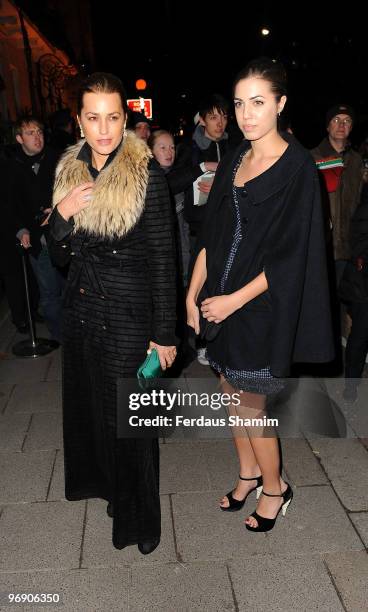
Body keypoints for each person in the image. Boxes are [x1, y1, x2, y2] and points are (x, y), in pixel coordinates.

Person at [186, 57, 334, 532]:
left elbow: (291, 258)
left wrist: (232, 301)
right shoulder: (235, 158)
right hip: (219, 302)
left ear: (280, 104)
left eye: (258, 103)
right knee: (229, 393)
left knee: (253, 406)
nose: (246, 114)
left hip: (260, 306)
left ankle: (276, 489)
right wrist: (193, 294)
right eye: (239, 104)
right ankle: (248, 473)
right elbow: (212, 233)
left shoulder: (297, 169)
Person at [47, 72, 177, 553]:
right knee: (96, 416)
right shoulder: (67, 173)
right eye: (93, 117)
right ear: (79, 121)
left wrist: (164, 336)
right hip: (81, 316)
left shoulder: (148, 178)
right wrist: (61, 214)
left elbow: (165, 262)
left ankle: (141, 525)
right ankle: (112, 495)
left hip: (128, 318)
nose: (103, 129)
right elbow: (58, 258)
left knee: (131, 426)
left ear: (127, 119)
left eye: (113, 117)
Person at [178, 93, 230, 365]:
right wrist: (201, 168)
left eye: (223, 116)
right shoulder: (191, 149)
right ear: (202, 120)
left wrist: (221, 184)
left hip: (227, 226)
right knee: (198, 285)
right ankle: (198, 340)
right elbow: (173, 180)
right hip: (198, 227)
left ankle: (220, 337)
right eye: (213, 117)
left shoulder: (237, 146)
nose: (219, 122)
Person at [12, 116, 63, 342]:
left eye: (39, 132)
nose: (37, 137)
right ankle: (60, 335)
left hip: (62, 233)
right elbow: (9, 204)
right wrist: (21, 229)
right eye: (31, 133)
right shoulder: (11, 165)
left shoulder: (57, 158)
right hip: (36, 238)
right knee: (49, 292)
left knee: (69, 287)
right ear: (19, 138)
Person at [311, 104, 363, 285]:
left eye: (347, 121)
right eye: (336, 120)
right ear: (327, 126)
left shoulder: (356, 161)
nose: (341, 125)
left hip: (350, 247)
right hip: (322, 247)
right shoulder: (312, 159)